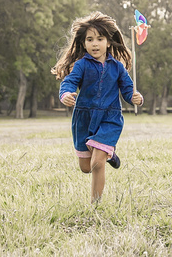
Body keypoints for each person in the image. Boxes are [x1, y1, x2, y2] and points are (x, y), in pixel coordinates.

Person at [51, 11, 143, 204]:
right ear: (84, 43)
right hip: (84, 119)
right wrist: (66, 94)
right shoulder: (81, 65)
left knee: (96, 163)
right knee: (86, 167)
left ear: (108, 42)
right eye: (90, 39)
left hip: (109, 119)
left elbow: (128, 90)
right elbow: (69, 82)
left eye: (100, 39)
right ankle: (109, 154)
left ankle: (96, 205)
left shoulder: (117, 67)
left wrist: (135, 97)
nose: (95, 44)